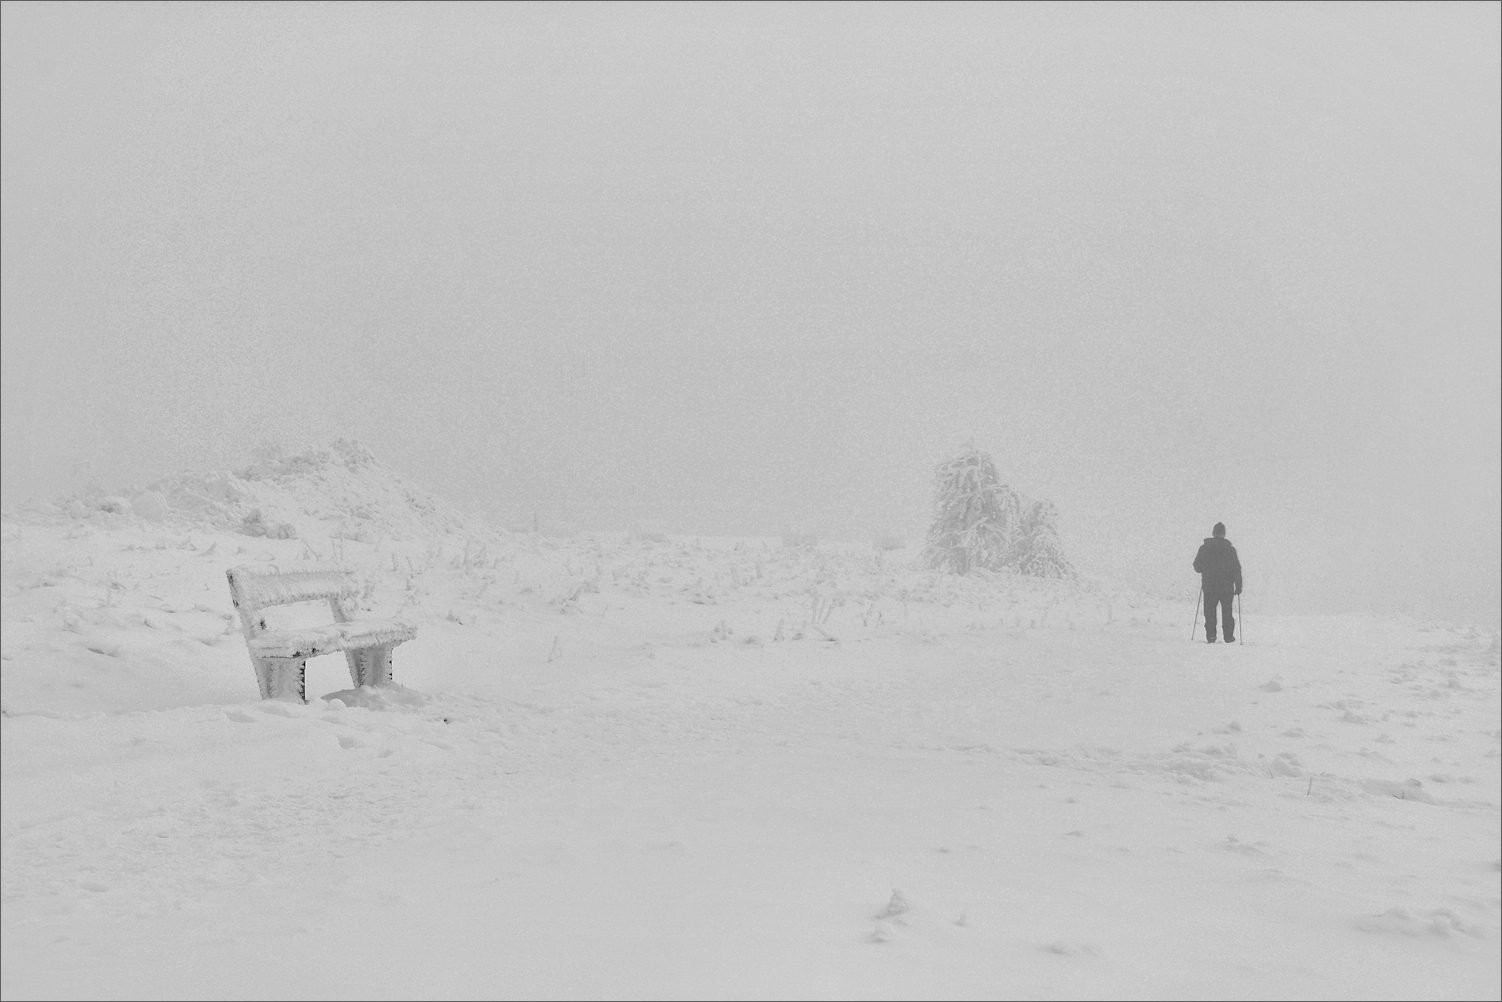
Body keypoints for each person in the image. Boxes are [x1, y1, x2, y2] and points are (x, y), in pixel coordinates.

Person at [1193, 522, 1242, 643]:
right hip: (1227, 587)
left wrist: (1205, 568)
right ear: (1224, 534)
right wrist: (1238, 586)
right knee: (1227, 612)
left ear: (1213, 533)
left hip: (1209, 586)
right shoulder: (1231, 550)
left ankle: (1211, 636)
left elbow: (1197, 567)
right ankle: (1228, 637)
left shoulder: (1204, 548)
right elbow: (1236, 568)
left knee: (1209, 612)